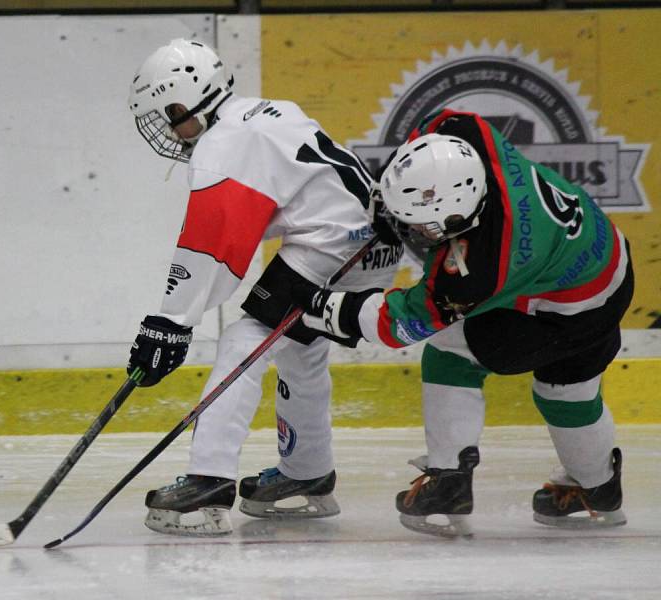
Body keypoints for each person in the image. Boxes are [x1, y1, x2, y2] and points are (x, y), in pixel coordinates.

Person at [295, 108, 633, 538]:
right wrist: (396, 198)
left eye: (419, 226)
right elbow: (440, 121)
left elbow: (404, 322)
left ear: (456, 219)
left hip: (572, 308)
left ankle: (449, 479)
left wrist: (325, 309)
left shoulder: (480, 266)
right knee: (567, 391)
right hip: (608, 260)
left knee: (453, 348)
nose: (411, 232)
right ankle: (599, 488)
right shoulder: (469, 136)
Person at [126, 38, 401, 536]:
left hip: (337, 245)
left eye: (171, 115)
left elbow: (210, 247)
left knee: (244, 339)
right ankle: (308, 473)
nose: (170, 130)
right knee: (301, 345)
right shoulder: (260, 113)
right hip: (374, 241)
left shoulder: (223, 144)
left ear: (188, 99)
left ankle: (208, 480)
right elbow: (264, 215)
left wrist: (169, 323)